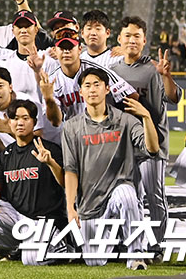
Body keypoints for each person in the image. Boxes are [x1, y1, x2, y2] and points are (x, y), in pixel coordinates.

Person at [61, 66, 159, 269]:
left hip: (117, 192)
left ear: (107, 89)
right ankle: (116, 242)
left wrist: (147, 117)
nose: (92, 89)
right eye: (87, 85)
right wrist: (71, 208)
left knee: (126, 193)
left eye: (97, 84)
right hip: (90, 204)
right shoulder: (71, 127)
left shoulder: (126, 120)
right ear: (81, 92)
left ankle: (136, 256)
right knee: (94, 261)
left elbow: (152, 148)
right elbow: (71, 170)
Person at [0, 99, 67, 264]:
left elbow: (65, 183)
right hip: (19, 218)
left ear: (34, 122)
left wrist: (51, 163)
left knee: (31, 260)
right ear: (9, 122)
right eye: (15, 118)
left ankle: (62, 246)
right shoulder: (7, 154)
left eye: (25, 118)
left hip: (45, 219)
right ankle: (19, 247)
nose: (20, 122)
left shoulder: (49, 149)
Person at [110, 17, 177, 246]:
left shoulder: (153, 69)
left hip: (152, 143)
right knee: (133, 197)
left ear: (144, 40)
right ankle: (136, 242)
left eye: (137, 36)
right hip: (126, 144)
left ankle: (156, 245)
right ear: (119, 39)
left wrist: (165, 75)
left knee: (154, 196)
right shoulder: (113, 70)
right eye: (127, 35)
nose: (132, 40)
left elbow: (172, 99)